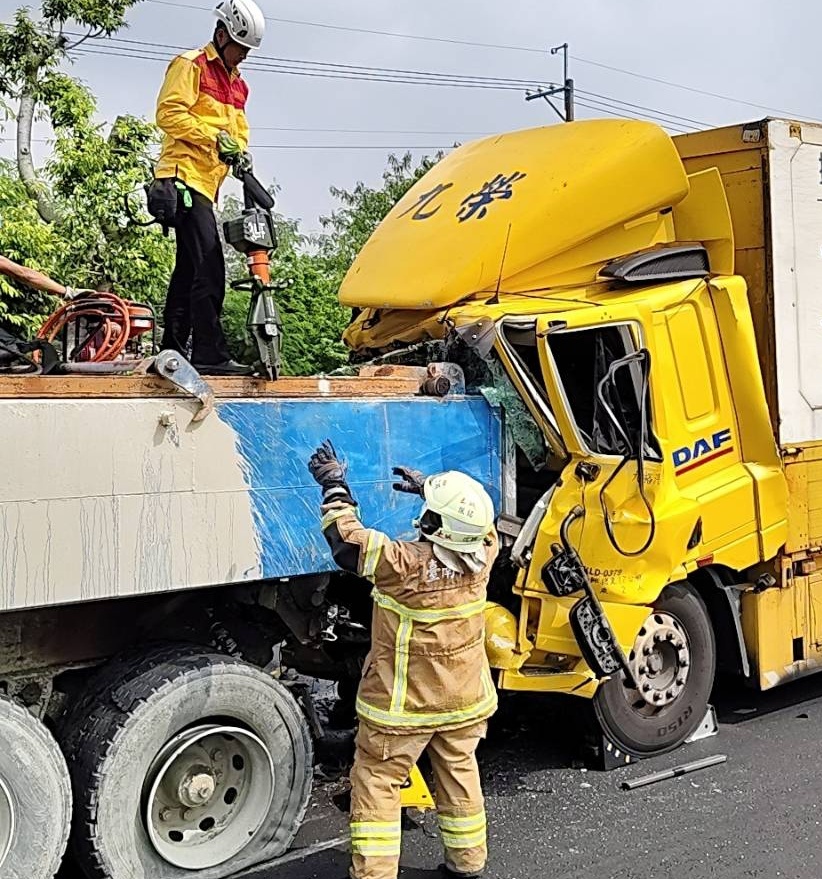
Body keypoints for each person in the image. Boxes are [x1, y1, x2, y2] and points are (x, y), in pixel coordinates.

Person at [307, 441, 499, 879]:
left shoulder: (403, 564)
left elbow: (346, 542)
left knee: (377, 780)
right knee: (458, 771)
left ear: (437, 526)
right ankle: (468, 862)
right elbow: (481, 529)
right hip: (465, 702)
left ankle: (374, 873)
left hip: (403, 707)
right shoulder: (484, 557)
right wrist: (430, 489)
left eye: (431, 514)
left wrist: (334, 484)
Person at [153, 0, 265, 375]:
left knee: (188, 268)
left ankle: (172, 349)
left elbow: (238, 131)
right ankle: (208, 353)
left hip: (207, 184)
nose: (244, 56)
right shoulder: (191, 65)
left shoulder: (239, 84)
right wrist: (215, 139)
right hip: (182, 176)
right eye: (240, 47)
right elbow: (168, 114)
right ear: (221, 35)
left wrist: (241, 154)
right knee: (209, 265)